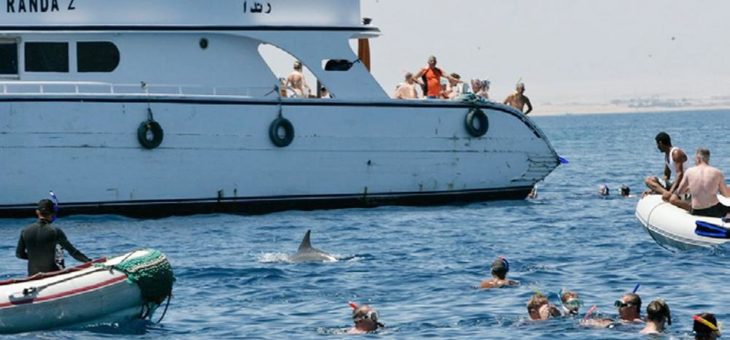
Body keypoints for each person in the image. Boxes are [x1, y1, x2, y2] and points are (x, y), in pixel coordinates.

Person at [16, 199, 91, 276]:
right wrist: (90, 262)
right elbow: (73, 253)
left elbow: (19, 254)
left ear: (37, 212)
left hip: (33, 276)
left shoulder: (25, 231)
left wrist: (35, 257)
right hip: (54, 274)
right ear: (53, 214)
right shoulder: (55, 231)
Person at [669, 148, 730, 219]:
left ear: (698, 159)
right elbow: (725, 194)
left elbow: (680, 191)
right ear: (708, 159)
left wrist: (690, 189)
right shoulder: (717, 172)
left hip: (696, 210)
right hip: (714, 210)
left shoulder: (689, 172)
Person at [644, 132, 687, 197]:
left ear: (660, 143)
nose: (657, 147)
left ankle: (668, 194)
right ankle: (666, 193)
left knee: (648, 180)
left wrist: (671, 191)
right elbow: (666, 175)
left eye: (657, 144)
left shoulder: (676, 153)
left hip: (685, 183)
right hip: (676, 182)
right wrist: (654, 189)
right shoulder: (667, 155)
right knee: (649, 180)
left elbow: (680, 174)